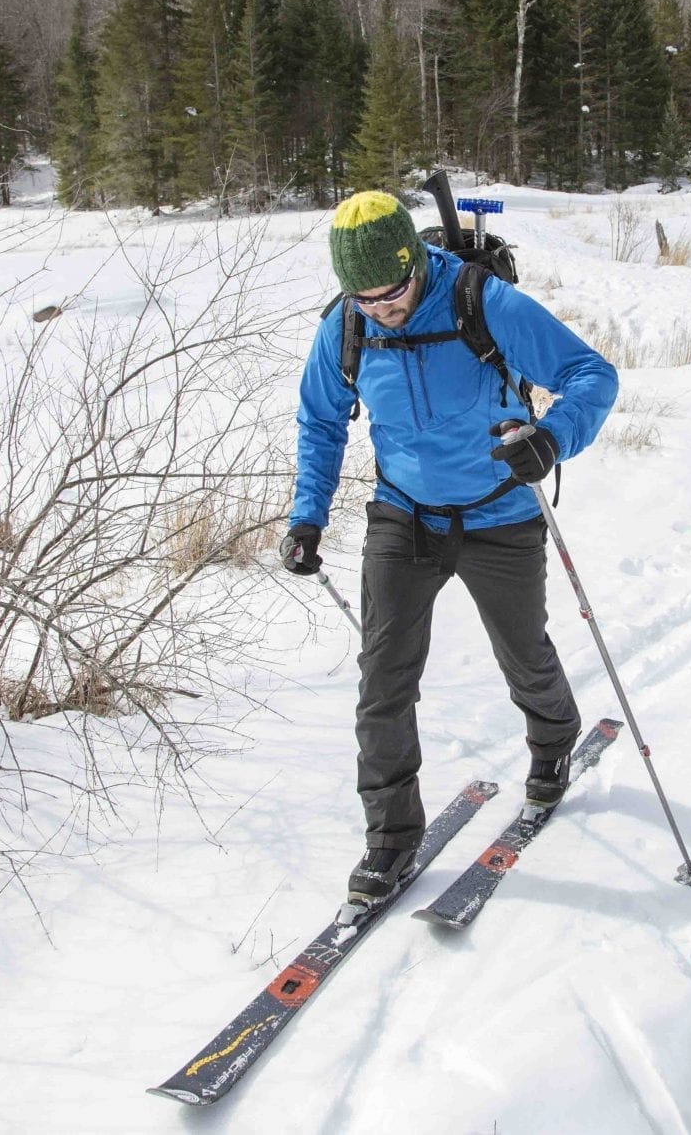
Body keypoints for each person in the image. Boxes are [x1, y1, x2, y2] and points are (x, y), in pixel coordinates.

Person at [282, 190, 619, 903]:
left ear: (416, 264)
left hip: (499, 510)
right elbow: (320, 423)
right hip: (404, 515)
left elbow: (593, 374)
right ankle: (391, 838)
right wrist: (306, 518)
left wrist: (551, 440)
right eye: (364, 297)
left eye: (392, 292)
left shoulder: (481, 301)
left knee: (524, 652)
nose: (381, 308)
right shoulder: (344, 324)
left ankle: (555, 740)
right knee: (384, 680)